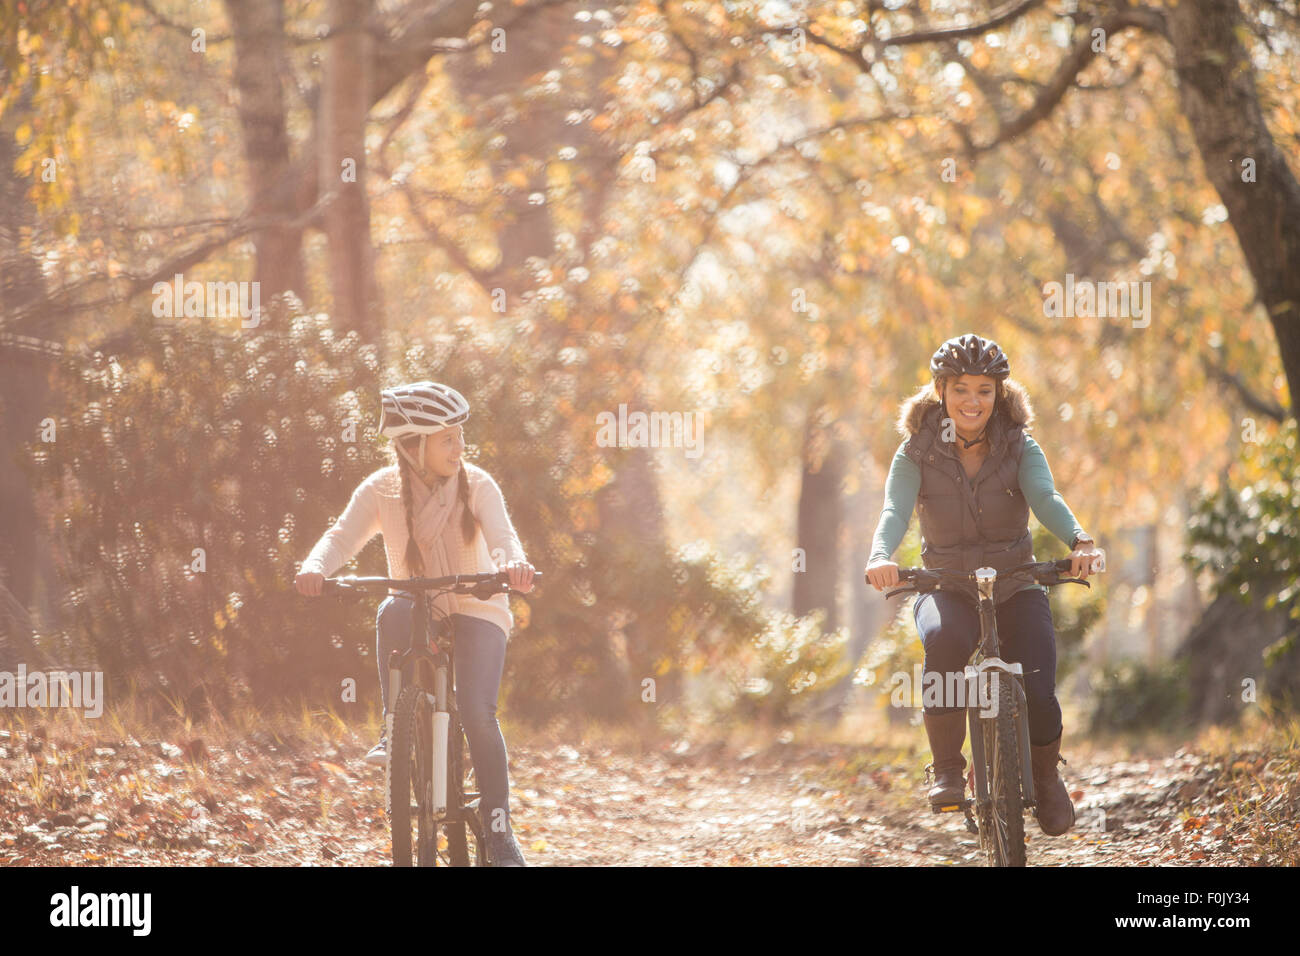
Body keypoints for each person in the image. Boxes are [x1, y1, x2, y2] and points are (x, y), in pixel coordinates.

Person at [864, 333, 1101, 835]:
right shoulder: (916, 452)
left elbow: (1046, 497)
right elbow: (895, 511)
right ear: (940, 391)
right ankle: (949, 768)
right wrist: (881, 556)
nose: (973, 401)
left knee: (1038, 686)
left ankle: (1044, 775)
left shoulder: (1019, 445)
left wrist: (1080, 540)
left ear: (1000, 394)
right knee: (944, 644)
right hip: (946, 584)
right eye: (961, 390)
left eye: (985, 391)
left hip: (1015, 582)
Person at [295, 381, 535, 866]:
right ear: (413, 445)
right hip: (419, 604)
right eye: (447, 438)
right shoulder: (382, 488)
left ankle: (498, 828)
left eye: (459, 435)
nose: (460, 446)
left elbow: (505, 537)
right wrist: (315, 566)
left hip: (477, 605)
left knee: (476, 711)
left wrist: (514, 566)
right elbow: (341, 536)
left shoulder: (478, 485)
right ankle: (394, 728)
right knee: (392, 608)